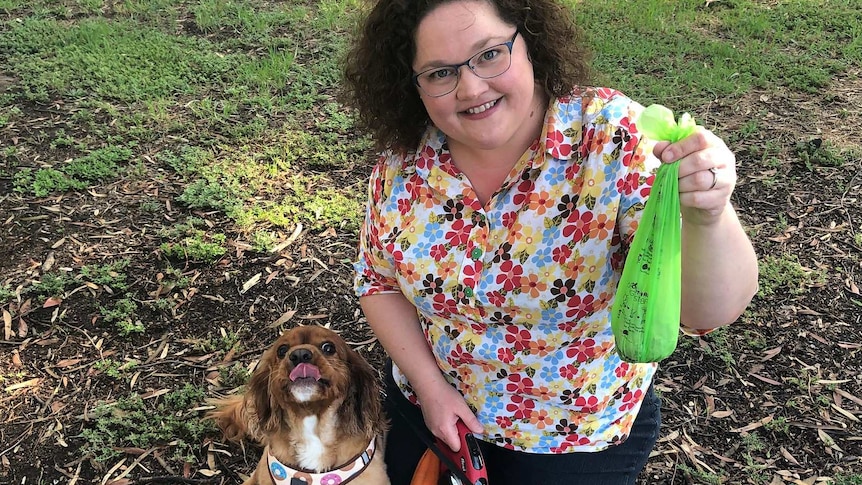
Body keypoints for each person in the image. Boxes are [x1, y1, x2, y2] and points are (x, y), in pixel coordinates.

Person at [344, 0, 759, 483]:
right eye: (439, 73)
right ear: (411, 83)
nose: (471, 88)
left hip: (570, 435)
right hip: (432, 410)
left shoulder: (612, 139)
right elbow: (378, 282)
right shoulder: (404, 164)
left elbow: (708, 312)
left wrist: (708, 217)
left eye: (490, 54)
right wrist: (431, 388)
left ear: (530, 42)